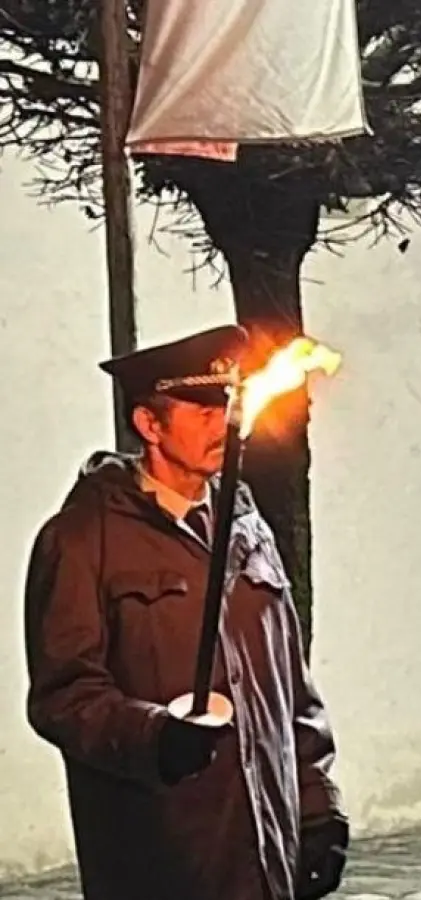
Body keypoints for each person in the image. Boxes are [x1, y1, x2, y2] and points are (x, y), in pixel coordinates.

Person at [23, 325, 346, 900]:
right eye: (199, 409)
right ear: (150, 424)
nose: (219, 422)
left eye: (225, 405)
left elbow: (293, 689)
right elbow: (64, 696)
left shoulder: (248, 529)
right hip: (165, 850)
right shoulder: (82, 538)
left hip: (269, 851)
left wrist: (318, 808)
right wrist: (155, 736)